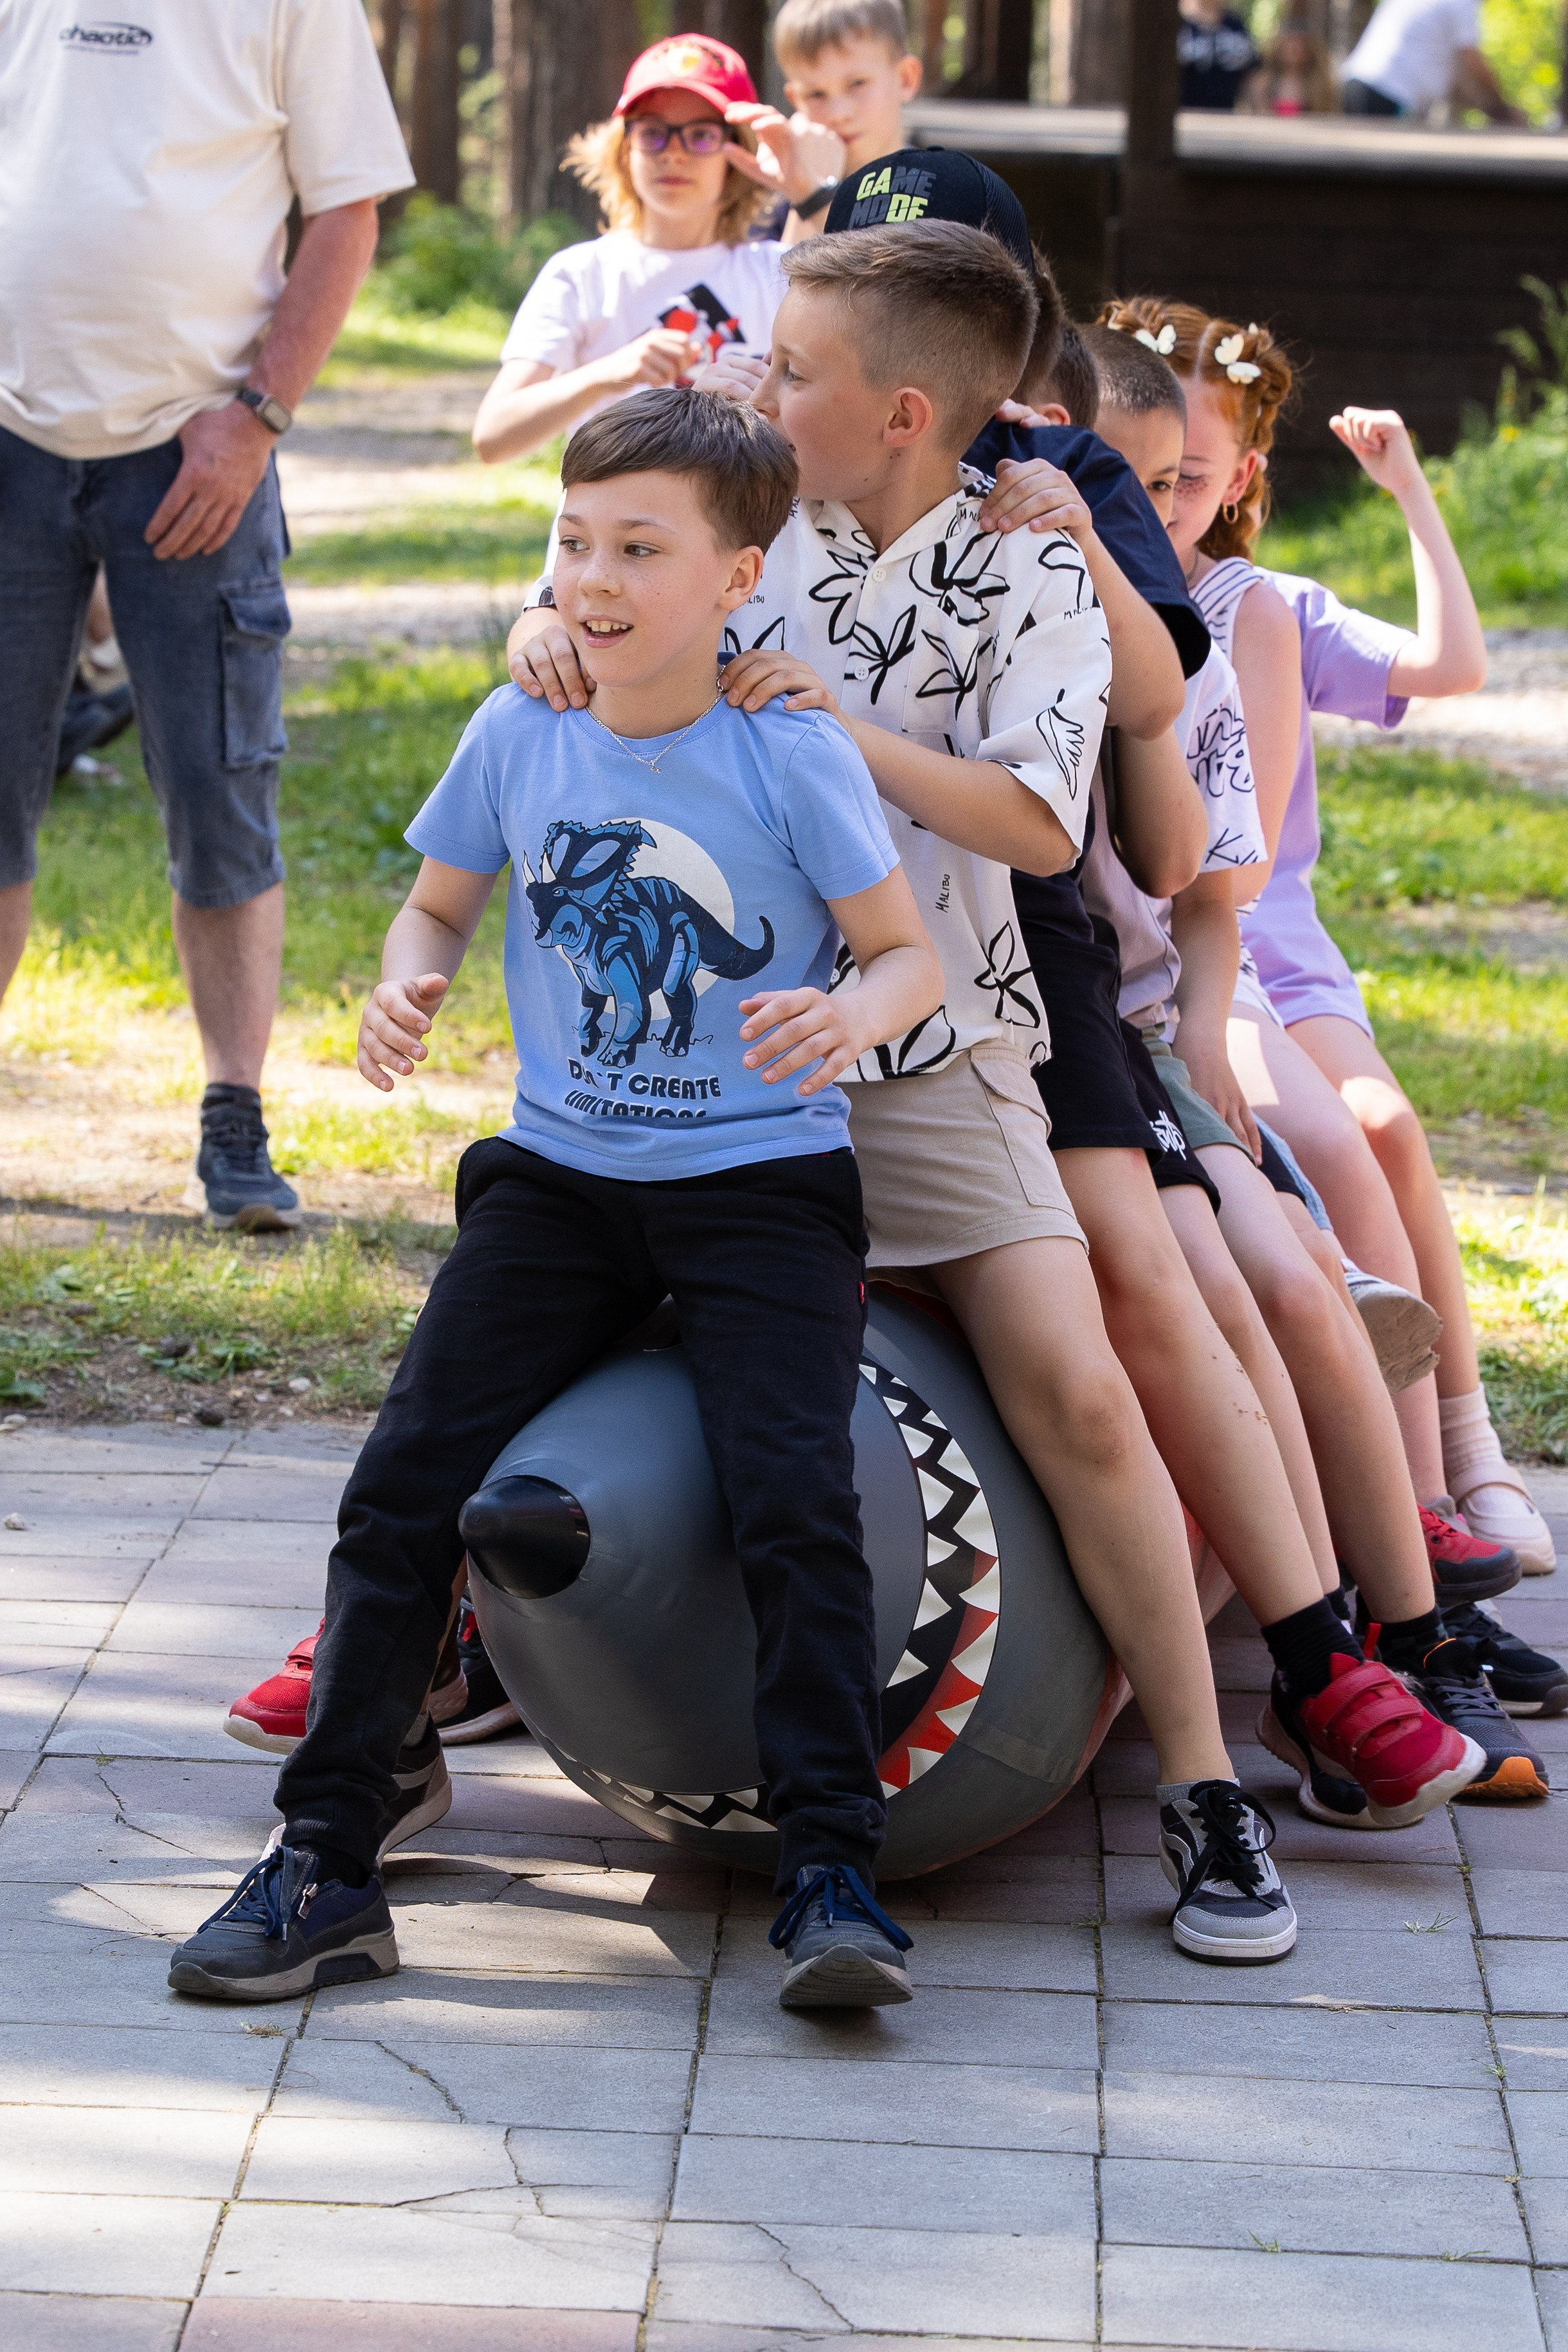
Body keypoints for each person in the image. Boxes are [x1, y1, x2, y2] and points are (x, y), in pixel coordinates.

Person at [512, 219, 1499, 1955]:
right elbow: (598, 581)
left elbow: (1042, 826)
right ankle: (410, 1667)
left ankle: (1203, 1785)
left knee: (1081, 1386)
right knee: (513, 1308)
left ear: (902, 412)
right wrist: (547, 626)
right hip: (701, 1051)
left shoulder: (1027, 562)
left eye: (794, 367)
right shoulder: (743, 508)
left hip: (936, 1051)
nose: (759, 381)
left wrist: (831, 731)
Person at [169, 388, 945, 2009]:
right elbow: (435, 906)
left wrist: (848, 1014)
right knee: (400, 1486)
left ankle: (829, 1868)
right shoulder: (518, 727)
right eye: (575, 541)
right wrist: (406, 981)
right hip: (558, 1183)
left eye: (640, 549)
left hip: (759, 1185)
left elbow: (901, 955)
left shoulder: (786, 746)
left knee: (792, 1503)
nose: (595, 577)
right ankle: (327, 1853)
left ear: (738, 576)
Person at [1088, 298, 1554, 1798]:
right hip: (1129, 989)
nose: (1155, 499)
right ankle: (1385, 1578)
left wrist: (1409, 487)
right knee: (1314, 1191)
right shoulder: (1032, 596)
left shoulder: (1242, 615)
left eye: (1181, 473)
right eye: (1128, 470)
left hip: (1233, 953)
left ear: (1232, 473)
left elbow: (1219, 880)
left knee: (1362, 1147)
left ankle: (1433, 1515)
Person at [0, 0, 413, 1231]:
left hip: (196, 452)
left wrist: (258, 419)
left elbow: (346, 210)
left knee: (219, 792)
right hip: (8, 441)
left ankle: (235, 1117)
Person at [471, 35, 809, 468]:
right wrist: (607, 373)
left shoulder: (778, 271)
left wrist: (807, 192)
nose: (673, 154)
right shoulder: (581, 273)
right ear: (624, 148)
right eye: (653, 133)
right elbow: (493, 438)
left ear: (738, 152)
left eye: (700, 135)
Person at [757, 0, 924, 238]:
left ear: (905, 78)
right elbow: (786, 264)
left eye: (857, 83)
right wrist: (807, 196)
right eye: (816, 94)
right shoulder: (771, 206)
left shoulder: (945, 193)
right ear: (796, 102)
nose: (838, 114)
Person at [1341, 0, 1527, 122]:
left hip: (1354, 85)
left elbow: (1457, 84)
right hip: (1387, 96)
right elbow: (1473, 61)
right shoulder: (1461, 4)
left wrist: (1492, 110)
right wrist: (1503, 109)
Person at [1240, 16, 1338, 115]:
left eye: (1300, 42)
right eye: (1290, 42)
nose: (1294, 48)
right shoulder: (1262, 84)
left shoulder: (1321, 87)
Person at [1177, 0, 1261, 112]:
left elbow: (1252, 72)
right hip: (1186, 112)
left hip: (1225, 113)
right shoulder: (1183, 27)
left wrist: (1257, 110)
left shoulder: (1236, 27)